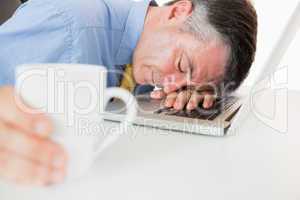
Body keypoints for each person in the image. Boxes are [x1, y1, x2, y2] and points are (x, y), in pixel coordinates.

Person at [0, 0, 257, 185]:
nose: (169, 86)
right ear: (177, 11)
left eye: (186, 85)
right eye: (182, 65)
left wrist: (192, 95)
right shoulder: (66, 26)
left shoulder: (142, 51)